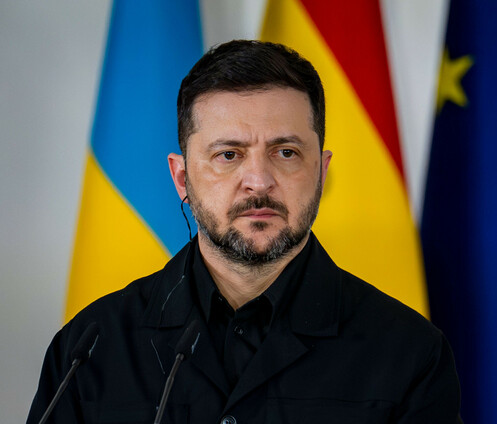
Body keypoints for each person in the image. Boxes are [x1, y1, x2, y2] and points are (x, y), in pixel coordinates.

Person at [28, 40, 461, 423]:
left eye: (286, 152)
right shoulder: (88, 348)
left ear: (321, 172)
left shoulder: (409, 354)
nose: (258, 181)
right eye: (229, 154)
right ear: (182, 178)